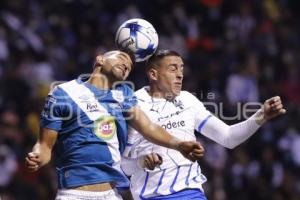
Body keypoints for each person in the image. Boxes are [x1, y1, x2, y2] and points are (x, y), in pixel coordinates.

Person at [25, 50, 205, 200]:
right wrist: (38, 156)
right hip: (74, 193)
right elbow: (45, 145)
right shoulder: (64, 93)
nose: (126, 65)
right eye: (121, 58)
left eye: (129, 66)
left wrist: (179, 144)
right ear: (100, 59)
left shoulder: (123, 93)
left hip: (112, 193)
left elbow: (148, 127)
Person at [121, 50, 286, 200]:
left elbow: (228, 137)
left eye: (181, 69)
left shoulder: (187, 100)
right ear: (153, 74)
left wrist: (261, 116)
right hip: (152, 196)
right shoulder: (133, 105)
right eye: (173, 69)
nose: (180, 75)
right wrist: (141, 162)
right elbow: (123, 166)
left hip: (192, 193)